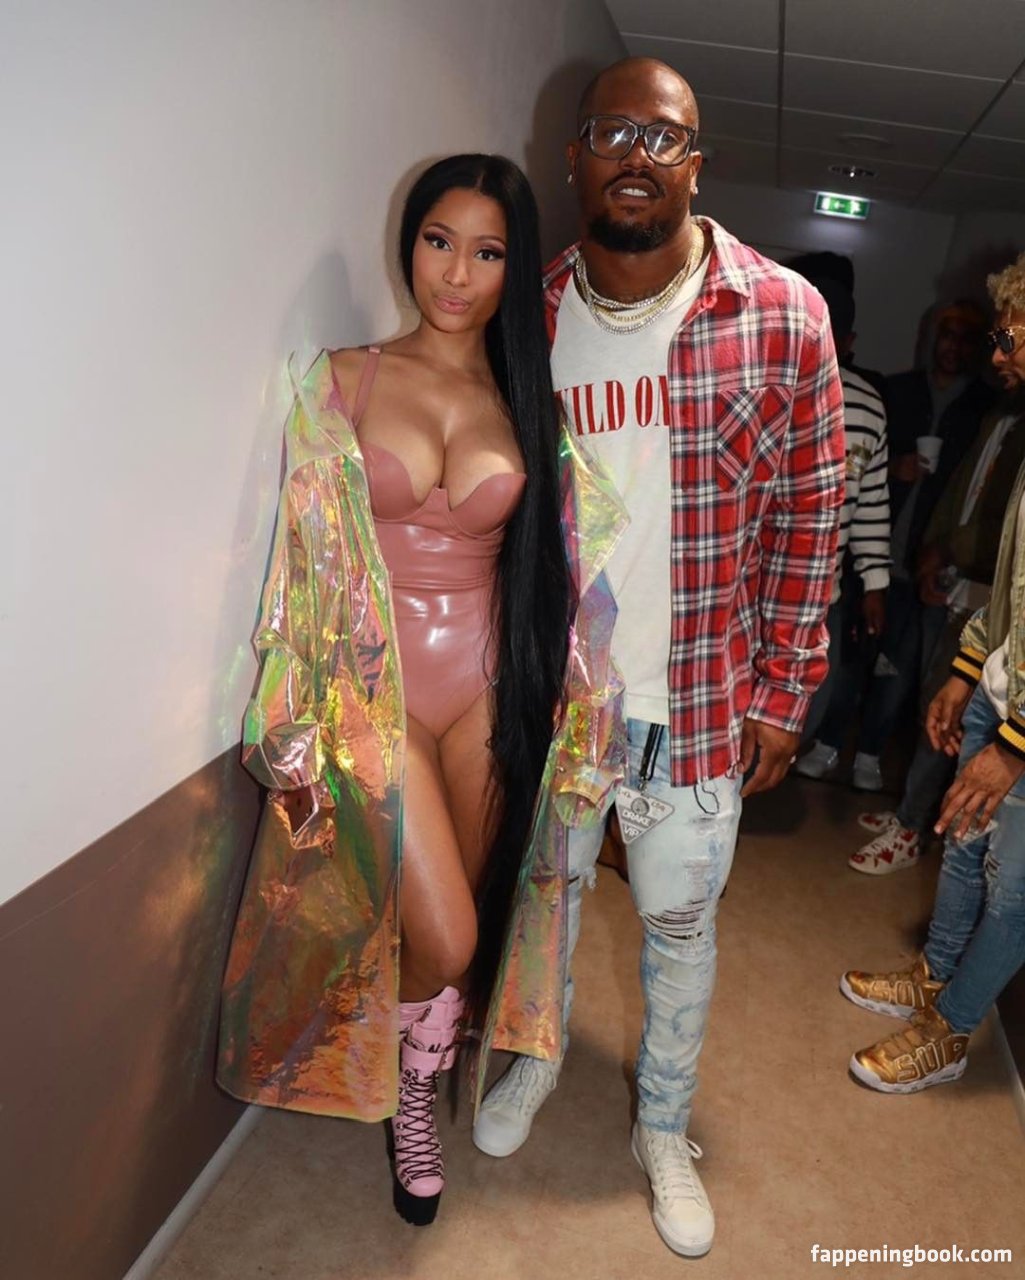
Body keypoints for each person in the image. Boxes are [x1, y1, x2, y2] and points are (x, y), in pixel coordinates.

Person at [472, 58, 845, 1258]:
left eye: (663, 136)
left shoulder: (781, 312)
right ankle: (534, 1059)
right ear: (572, 157)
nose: (636, 155)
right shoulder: (524, 315)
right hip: (559, 696)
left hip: (697, 694)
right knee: (549, 897)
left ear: (698, 164)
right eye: (611, 132)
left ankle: (663, 1124)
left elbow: (812, 514)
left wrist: (784, 691)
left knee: (679, 924)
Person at [217, 155, 625, 1227]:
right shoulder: (343, 377)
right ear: (410, 241)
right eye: (440, 241)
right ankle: (403, 1067)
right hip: (376, 696)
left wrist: (585, 700)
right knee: (443, 937)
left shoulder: (527, 404)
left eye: (486, 252)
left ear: (512, 269)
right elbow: (303, 564)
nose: (454, 273)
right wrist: (286, 710)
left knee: (466, 922)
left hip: (489, 688)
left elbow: (566, 569)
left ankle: (412, 1088)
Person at [841, 252, 1025, 1092]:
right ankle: (934, 978)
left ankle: (948, 1033)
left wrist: (1013, 746)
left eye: (1012, 337)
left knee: (1012, 890)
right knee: (960, 847)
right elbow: (1013, 588)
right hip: (999, 685)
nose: (998, 353)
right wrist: (963, 671)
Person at [800, 302, 993, 790]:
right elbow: (863, 475)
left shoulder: (983, 408)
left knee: (899, 669)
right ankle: (827, 744)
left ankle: (869, 753)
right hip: (869, 555)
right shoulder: (896, 392)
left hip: (928, 562)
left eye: (967, 338)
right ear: (932, 336)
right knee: (851, 658)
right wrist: (894, 469)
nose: (954, 346)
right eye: (948, 334)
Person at [848, 378, 1025, 873]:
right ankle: (914, 813)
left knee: (953, 716)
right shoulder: (1000, 412)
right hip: (958, 582)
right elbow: (961, 490)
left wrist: (949, 550)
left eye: (1008, 343)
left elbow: (1005, 532)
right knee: (936, 702)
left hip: (990, 600)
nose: (998, 358)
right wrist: (933, 553)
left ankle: (914, 828)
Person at [785, 260, 890, 748]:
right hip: (748, 590)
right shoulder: (763, 386)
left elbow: (871, 504)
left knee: (804, 720)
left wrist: (875, 585)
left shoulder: (868, 406)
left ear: (849, 342)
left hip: (821, 596)